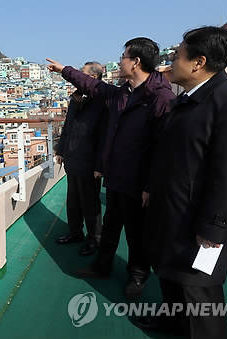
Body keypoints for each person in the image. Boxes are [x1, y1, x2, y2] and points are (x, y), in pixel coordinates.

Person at [135, 27, 227, 338]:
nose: (171, 62)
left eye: (176, 56)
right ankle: (171, 322)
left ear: (198, 63)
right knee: (171, 280)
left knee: (199, 295)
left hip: (199, 226)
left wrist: (214, 227)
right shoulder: (184, 100)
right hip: (170, 214)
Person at [47, 37, 175, 300]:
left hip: (139, 182)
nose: (120, 61)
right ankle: (102, 265)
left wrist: (151, 186)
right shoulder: (121, 93)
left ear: (136, 62)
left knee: (137, 233)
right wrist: (64, 70)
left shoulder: (160, 98)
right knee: (111, 226)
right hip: (116, 176)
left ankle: (138, 275)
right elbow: (92, 84)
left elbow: (164, 149)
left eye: (124, 56)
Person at [55, 62, 108, 256]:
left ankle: (94, 239)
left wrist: (100, 165)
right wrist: (61, 150)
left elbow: (105, 135)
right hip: (72, 158)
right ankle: (75, 232)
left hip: (90, 161)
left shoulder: (103, 100)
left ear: (92, 78)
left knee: (90, 203)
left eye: (82, 73)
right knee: (73, 200)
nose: (78, 76)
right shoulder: (76, 97)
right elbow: (68, 126)